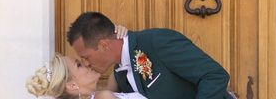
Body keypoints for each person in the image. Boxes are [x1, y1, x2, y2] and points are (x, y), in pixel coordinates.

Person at [68, 11, 232, 99]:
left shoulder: (157, 42)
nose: (87, 63)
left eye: (86, 57)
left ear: (103, 45)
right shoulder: (119, 75)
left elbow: (215, 75)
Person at [26, 52, 147, 99]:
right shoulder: (104, 97)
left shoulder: (100, 94)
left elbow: (117, 70)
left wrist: (119, 40)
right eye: (78, 65)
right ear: (72, 85)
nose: (86, 63)